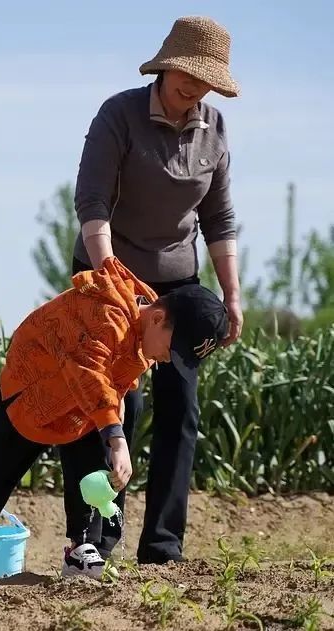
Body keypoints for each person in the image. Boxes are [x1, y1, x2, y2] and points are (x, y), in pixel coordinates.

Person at [70, 15, 244, 565]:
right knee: (115, 406)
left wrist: (232, 295)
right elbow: (92, 203)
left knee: (181, 411)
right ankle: (95, 541)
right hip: (111, 275)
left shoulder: (213, 129)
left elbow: (218, 219)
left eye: (204, 80)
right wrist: (111, 283)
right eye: (185, 75)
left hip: (178, 286)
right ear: (165, 65)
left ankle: (163, 547)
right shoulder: (119, 114)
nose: (193, 88)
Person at [0, 257, 228, 581]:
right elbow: (90, 375)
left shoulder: (144, 336)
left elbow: (117, 381)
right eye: (172, 350)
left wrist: (115, 415)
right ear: (158, 317)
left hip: (79, 411)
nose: (167, 358)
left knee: (91, 465)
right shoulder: (107, 314)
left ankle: (81, 547)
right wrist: (117, 439)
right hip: (31, 391)